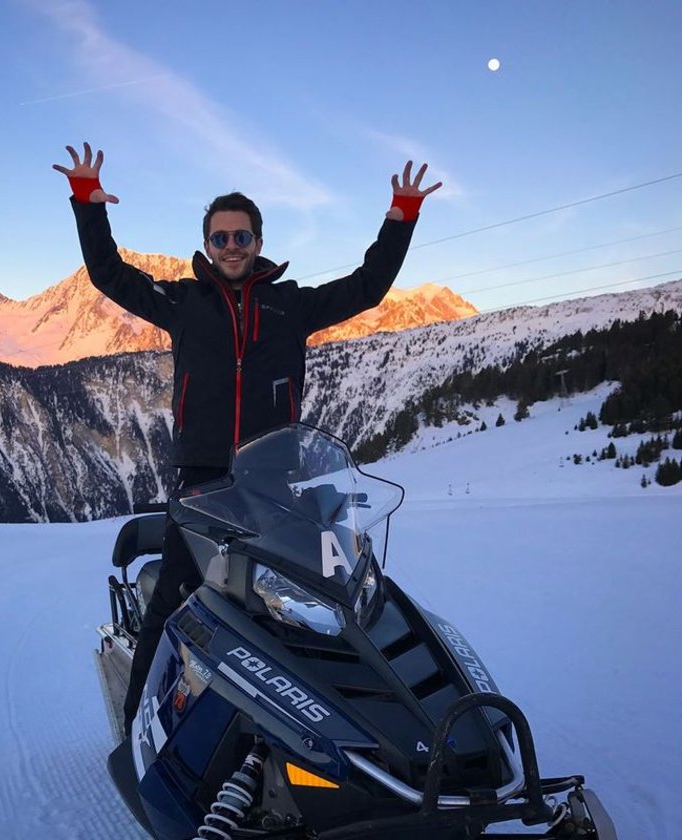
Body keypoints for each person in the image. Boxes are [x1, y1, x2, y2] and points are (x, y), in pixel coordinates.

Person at [54, 142, 441, 732]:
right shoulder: (183, 303)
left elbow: (367, 288)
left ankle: (319, 726)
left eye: (241, 236)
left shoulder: (290, 305)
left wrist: (400, 217)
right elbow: (109, 275)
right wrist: (88, 203)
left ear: (258, 242)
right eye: (220, 237)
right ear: (207, 245)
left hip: (278, 482)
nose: (231, 246)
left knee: (307, 602)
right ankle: (135, 729)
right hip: (202, 484)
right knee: (173, 601)